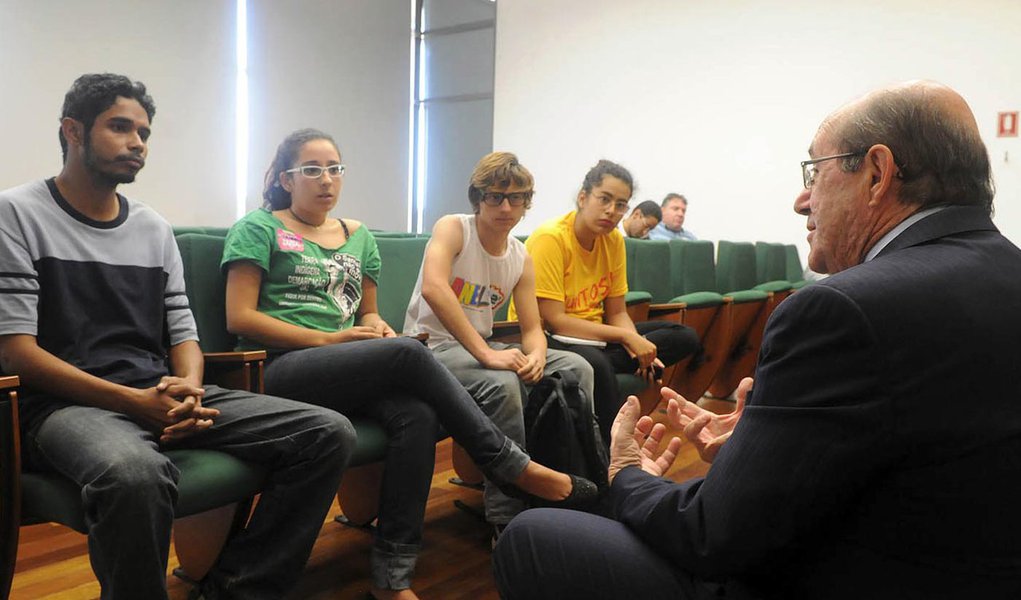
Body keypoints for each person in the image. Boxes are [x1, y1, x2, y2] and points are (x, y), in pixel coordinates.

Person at [493, 81, 1021, 599]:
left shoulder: (842, 308)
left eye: (814, 171)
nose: (801, 199)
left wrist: (628, 475)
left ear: (878, 174)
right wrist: (769, 446)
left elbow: (712, 538)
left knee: (533, 538)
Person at [0, 73, 356, 600]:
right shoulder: (17, 214)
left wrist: (187, 387)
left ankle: (242, 587)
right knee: (134, 474)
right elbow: (16, 353)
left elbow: (182, 329)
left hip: (157, 392)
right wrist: (134, 402)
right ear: (72, 132)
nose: (137, 143)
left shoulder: (151, 227)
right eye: (120, 128)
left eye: (144, 132)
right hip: (61, 407)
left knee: (328, 434)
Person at [221, 130, 596, 600]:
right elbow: (241, 318)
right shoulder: (259, 228)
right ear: (284, 178)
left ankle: (391, 575)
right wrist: (331, 338)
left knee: (417, 415)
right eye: (311, 170)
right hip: (284, 365)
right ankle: (512, 466)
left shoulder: (358, 237)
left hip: (347, 362)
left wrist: (376, 328)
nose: (326, 180)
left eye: (334, 168)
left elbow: (368, 312)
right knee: (411, 351)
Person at [403, 152, 596, 539]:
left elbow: (532, 327)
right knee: (502, 382)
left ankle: (579, 478)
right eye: (495, 197)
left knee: (578, 368)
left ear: (527, 202)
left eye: (517, 198)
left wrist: (538, 355)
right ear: (478, 198)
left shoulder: (520, 256)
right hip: (431, 348)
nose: (505, 207)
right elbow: (434, 289)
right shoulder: (455, 229)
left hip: (477, 347)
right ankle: (506, 519)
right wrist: (487, 354)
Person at [511, 160, 700, 444]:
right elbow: (554, 319)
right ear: (583, 197)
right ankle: (614, 456)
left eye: (621, 204)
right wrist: (627, 337)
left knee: (683, 335)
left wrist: (637, 346)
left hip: (593, 335)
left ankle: (620, 364)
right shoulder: (551, 238)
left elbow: (616, 311)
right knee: (596, 364)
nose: (612, 211)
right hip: (549, 336)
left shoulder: (613, 241)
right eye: (605, 199)